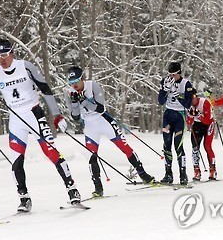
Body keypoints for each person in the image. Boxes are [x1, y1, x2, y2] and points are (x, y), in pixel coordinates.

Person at [0, 38, 81, 212]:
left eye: (4, 54)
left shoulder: (25, 67)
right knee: (16, 160)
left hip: (34, 114)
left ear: (12, 52)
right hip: (16, 119)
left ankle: (72, 190)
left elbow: (45, 89)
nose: (2, 59)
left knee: (51, 152)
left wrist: (56, 115)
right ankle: (24, 198)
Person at [64, 66, 155, 195]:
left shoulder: (92, 86)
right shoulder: (68, 93)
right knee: (92, 156)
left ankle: (143, 174)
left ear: (82, 78)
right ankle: (98, 188)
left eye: (76, 82)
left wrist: (84, 102)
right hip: (90, 126)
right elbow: (76, 117)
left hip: (104, 121)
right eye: (71, 83)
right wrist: (74, 103)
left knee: (125, 148)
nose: (74, 85)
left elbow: (100, 108)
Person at [157, 62, 194, 185]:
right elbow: (160, 102)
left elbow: (188, 105)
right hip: (168, 116)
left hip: (179, 117)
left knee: (178, 145)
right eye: (170, 74)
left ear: (179, 73)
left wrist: (178, 95)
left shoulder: (186, 84)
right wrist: (165, 90)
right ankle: (168, 174)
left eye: (174, 74)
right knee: (167, 145)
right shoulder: (165, 81)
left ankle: (183, 174)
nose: (171, 77)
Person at [186, 90, 217, 181]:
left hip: (208, 124)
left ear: (195, 97)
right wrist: (191, 116)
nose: (191, 102)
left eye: (192, 99)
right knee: (195, 147)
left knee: (207, 146)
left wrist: (198, 115)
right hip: (197, 124)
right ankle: (197, 171)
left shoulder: (204, 102)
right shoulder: (188, 105)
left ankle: (212, 169)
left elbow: (207, 120)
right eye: (189, 100)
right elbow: (188, 122)